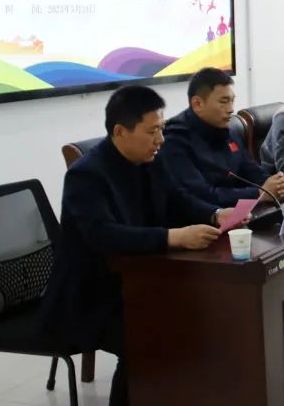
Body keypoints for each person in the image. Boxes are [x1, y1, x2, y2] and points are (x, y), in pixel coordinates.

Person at [42, 85, 241, 406]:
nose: (160, 139)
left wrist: (215, 214)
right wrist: (174, 237)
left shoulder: (150, 158)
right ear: (120, 132)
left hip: (143, 278)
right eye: (152, 131)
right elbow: (104, 236)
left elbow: (177, 199)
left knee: (209, 313)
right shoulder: (86, 176)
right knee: (150, 335)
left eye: (161, 129)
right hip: (92, 295)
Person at [161, 67, 284, 207]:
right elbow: (201, 195)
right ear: (197, 104)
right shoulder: (174, 140)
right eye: (224, 102)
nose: (231, 109)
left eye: (232, 101)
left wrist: (278, 185)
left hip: (240, 212)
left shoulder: (226, 130)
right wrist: (258, 193)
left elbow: (251, 171)